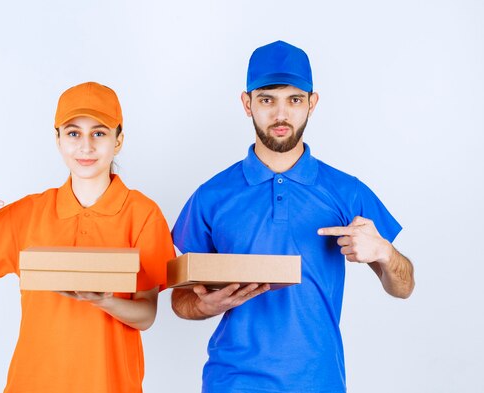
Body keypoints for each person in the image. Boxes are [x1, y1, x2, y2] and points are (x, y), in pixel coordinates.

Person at [171, 40, 415, 393]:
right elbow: (180, 299)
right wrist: (204, 305)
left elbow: (404, 286)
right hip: (232, 381)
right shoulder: (212, 195)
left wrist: (385, 253)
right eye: (267, 99)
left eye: (294, 100)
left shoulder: (347, 191)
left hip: (319, 382)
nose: (281, 114)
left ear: (312, 104)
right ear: (247, 103)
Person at [0, 81, 176, 393]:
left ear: (118, 141)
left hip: (110, 385)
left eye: (98, 133)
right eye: (73, 133)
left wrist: (105, 301)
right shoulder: (30, 213)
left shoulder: (142, 214)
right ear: (58, 139)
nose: (85, 146)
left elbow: (146, 315)